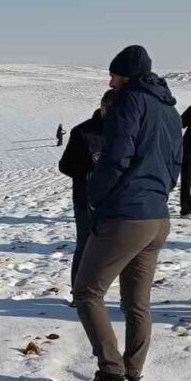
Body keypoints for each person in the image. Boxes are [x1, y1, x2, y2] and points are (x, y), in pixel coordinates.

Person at [73, 45, 182, 381]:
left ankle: (111, 372)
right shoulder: (169, 109)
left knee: (86, 292)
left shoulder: (128, 101)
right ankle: (132, 372)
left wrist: (96, 195)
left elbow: (116, 156)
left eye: (114, 76)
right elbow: (176, 162)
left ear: (127, 76)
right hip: (157, 216)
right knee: (137, 303)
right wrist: (158, 193)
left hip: (125, 215)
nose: (110, 82)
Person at [59, 89, 118, 303]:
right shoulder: (83, 132)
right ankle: (79, 294)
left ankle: (99, 291)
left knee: (114, 248)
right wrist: (90, 173)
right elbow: (65, 166)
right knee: (85, 245)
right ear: (102, 107)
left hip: (116, 201)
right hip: (86, 200)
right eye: (112, 111)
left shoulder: (126, 130)